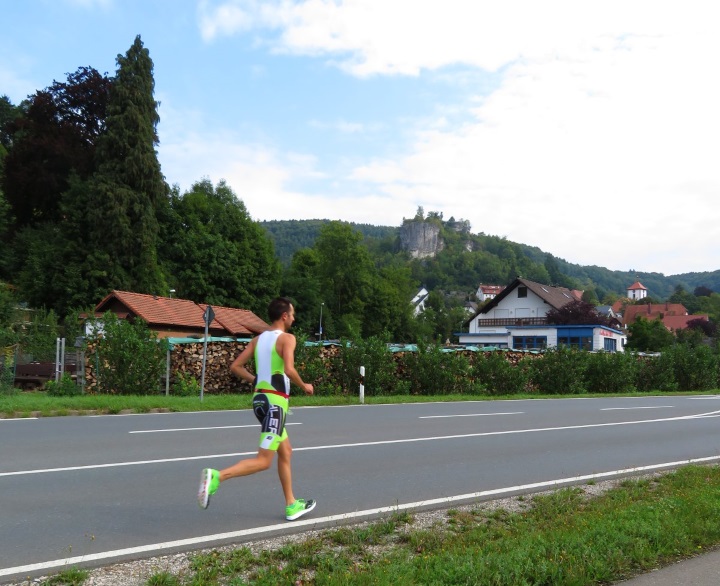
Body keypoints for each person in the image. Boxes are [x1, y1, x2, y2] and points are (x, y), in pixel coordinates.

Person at [197, 297, 316, 521]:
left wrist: (257, 380)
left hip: (260, 401)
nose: (293, 318)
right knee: (263, 460)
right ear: (284, 316)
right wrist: (305, 386)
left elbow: (235, 366)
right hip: (275, 404)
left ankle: (291, 504)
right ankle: (217, 476)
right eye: (292, 314)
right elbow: (289, 369)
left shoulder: (258, 340)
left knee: (286, 451)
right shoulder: (287, 339)